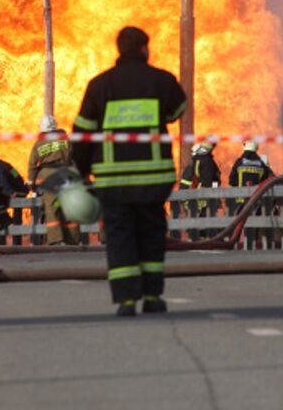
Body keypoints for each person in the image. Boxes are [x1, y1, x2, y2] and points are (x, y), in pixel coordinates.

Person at [72, 25, 187, 316]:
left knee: (120, 237)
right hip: (153, 178)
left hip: (113, 181)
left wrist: (81, 172)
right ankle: (152, 297)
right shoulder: (161, 80)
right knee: (151, 235)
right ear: (145, 48)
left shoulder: (100, 85)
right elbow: (178, 110)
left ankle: (126, 301)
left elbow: (83, 132)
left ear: (119, 49)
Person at [27, 114, 81, 245]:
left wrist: (31, 184)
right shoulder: (66, 139)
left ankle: (56, 240)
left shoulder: (39, 143)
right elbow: (75, 158)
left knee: (52, 209)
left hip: (48, 177)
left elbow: (32, 165)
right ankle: (73, 239)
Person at [228, 141, 273, 248]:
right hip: (255, 200)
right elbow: (266, 180)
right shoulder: (260, 163)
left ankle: (234, 245)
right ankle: (252, 245)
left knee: (237, 223)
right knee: (254, 223)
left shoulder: (240, 161)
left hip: (240, 200)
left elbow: (232, 180)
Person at [179, 141, 221, 240]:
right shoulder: (207, 163)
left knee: (200, 217)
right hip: (200, 197)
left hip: (196, 197)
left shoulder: (197, 164)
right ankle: (199, 238)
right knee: (201, 217)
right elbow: (211, 180)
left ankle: (200, 239)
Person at [0, 157, 28, 244]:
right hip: (17, 190)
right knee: (3, 216)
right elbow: (16, 176)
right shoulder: (7, 166)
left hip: (16, 192)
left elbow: (4, 181)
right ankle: (13, 241)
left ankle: (11, 241)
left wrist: (10, 192)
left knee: (3, 216)